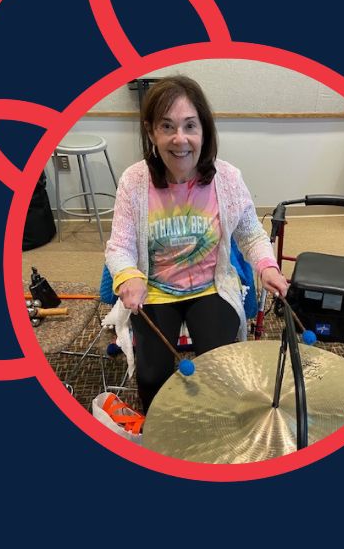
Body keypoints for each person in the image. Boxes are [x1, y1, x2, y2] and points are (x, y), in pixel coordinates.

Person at [105, 75, 288, 413]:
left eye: (190, 125)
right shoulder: (134, 181)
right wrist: (128, 275)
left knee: (220, 372)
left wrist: (267, 267)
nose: (180, 139)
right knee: (151, 376)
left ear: (204, 130)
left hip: (210, 286)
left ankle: (214, 427)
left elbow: (251, 233)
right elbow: (119, 247)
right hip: (155, 289)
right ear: (151, 132)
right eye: (167, 126)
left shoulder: (228, 178)